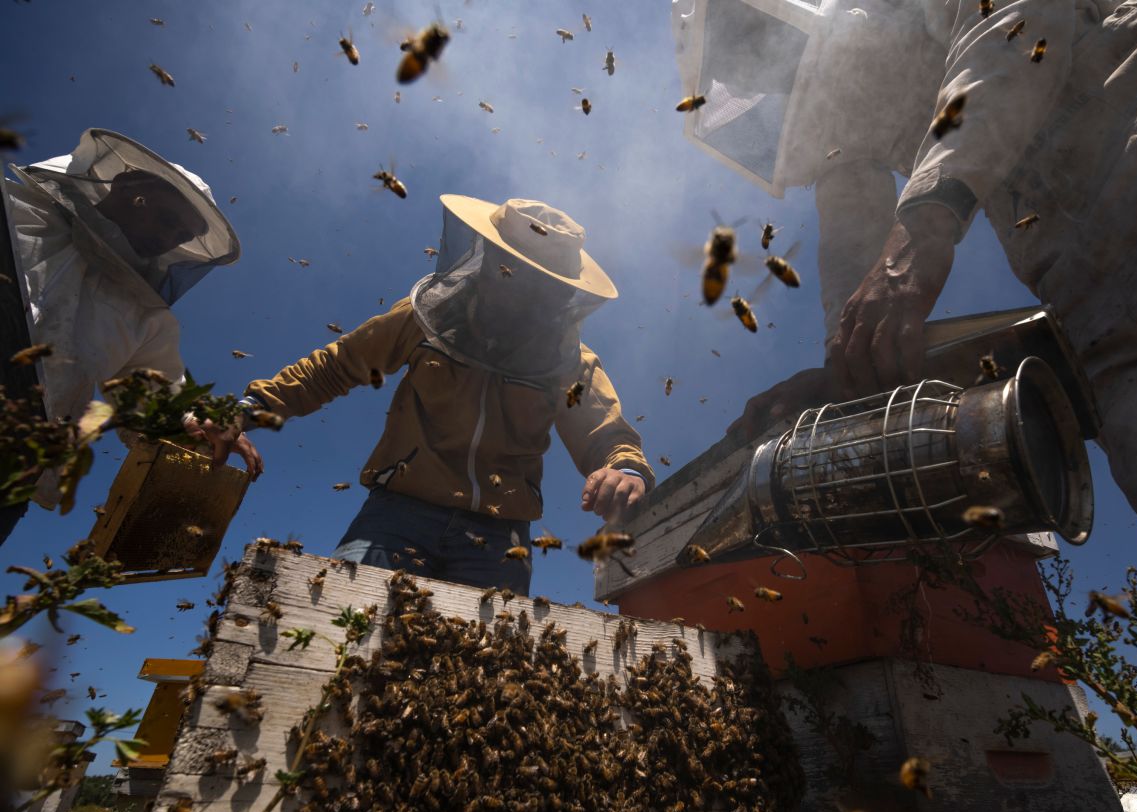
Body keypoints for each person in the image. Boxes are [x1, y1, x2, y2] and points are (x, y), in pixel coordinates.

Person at [672, 0, 1137, 695]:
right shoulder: (840, 123)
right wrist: (845, 372)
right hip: (1084, 286)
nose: (775, 87)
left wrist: (928, 219)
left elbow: (1017, 18)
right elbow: (854, 236)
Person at [240, 195, 655, 595]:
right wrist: (248, 410)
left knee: (488, 661)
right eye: (512, 270)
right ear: (487, 260)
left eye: (538, 283)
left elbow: (606, 435)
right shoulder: (421, 317)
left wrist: (626, 471)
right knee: (346, 627)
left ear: (559, 293)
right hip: (398, 513)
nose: (520, 289)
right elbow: (335, 367)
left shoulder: (571, 363)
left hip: (499, 536)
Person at [0, 128, 261, 546]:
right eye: (166, 218)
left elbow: (157, 397)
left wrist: (199, 421)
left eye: (181, 235)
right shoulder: (14, 211)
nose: (168, 238)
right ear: (124, 186)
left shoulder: (144, 318)